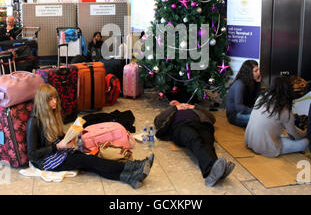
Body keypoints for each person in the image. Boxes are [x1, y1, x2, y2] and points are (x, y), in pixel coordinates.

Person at [26, 84, 154, 189]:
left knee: (90, 161)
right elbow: (32, 154)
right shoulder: (34, 121)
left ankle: (129, 177)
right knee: (87, 161)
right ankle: (134, 166)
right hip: (46, 161)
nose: (54, 102)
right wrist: (57, 147)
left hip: (58, 150)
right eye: (50, 99)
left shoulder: (52, 113)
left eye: (55, 98)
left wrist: (69, 138)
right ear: (42, 102)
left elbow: (58, 136)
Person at [154, 100, 235, 187]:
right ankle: (210, 172)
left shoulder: (195, 109)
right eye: (174, 103)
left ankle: (216, 171)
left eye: (182, 102)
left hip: (202, 126)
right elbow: (157, 121)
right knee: (194, 139)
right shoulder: (171, 112)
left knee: (208, 142)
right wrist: (174, 108)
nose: (182, 104)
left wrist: (195, 107)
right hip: (181, 126)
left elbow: (212, 118)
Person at [245, 76, 309, 157]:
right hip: (265, 148)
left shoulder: (261, 98)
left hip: (250, 142)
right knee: (305, 142)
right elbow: (294, 136)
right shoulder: (285, 110)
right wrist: (305, 133)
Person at [225, 60, 262, 127]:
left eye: (258, 70)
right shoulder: (240, 84)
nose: (259, 73)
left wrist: (258, 83)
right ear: (249, 72)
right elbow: (239, 107)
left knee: (263, 118)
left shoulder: (253, 82)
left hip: (244, 112)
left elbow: (256, 100)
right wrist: (255, 111)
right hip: (235, 115)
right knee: (260, 119)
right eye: (256, 71)